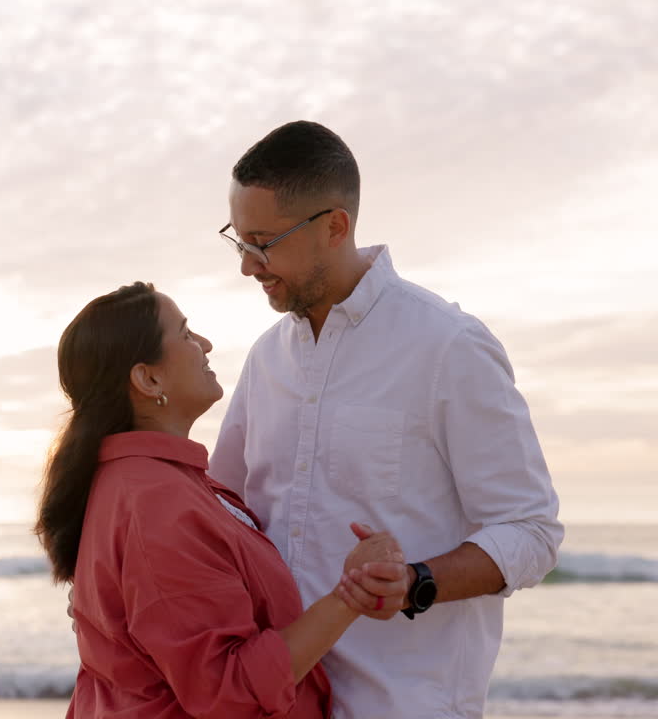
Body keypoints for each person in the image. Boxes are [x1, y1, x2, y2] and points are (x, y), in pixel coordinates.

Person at [209, 120, 564, 719]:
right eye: (238, 241)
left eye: (263, 243)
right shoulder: (267, 357)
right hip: (280, 702)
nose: (248, 266)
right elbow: (223, 512)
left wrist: (415, 581)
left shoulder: (449, 345)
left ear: (334, 227)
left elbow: (531, 531)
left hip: (403, 704)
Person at [36, 281, 408, 718]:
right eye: (186, 333)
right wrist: (350, 595)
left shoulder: (161, 483)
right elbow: (230, 691)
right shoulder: (154, 502)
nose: (205, 344)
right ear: (148, 378)